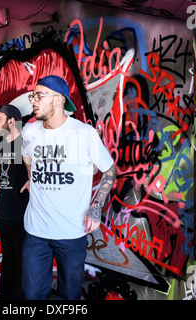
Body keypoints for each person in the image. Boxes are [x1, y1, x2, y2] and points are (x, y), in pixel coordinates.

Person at [21, 75, 116, 300]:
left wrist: (96, 207)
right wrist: (32, 178)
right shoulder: (30, 131)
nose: (33, 101)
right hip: (36, 232)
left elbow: (110, 171)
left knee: (70, 296)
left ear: (58, 99)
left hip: (71, 233)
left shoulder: (84, 134)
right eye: (32, 96)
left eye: (38, 95)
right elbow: (27, 158)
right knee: (32, 294)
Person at [0, 104, 29, 300]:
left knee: (20, 266)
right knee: (7, 262)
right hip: (4, 215)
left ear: (11, 121)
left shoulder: (26, 145)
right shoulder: (3, 145)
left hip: (21, 216)